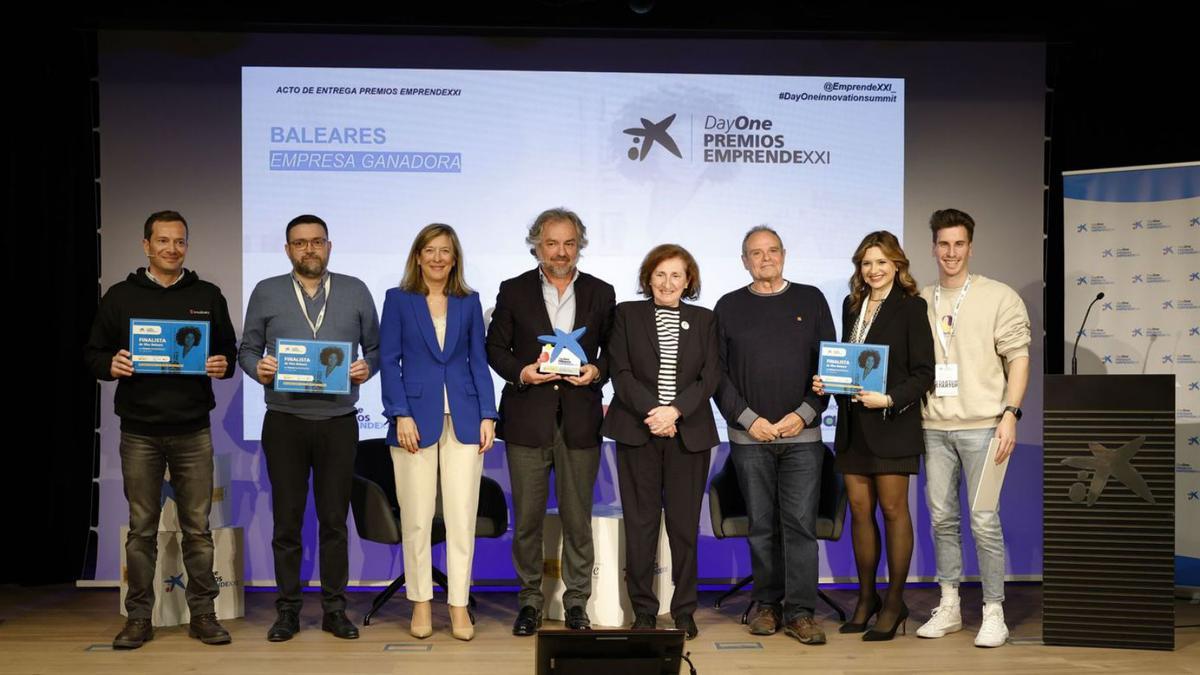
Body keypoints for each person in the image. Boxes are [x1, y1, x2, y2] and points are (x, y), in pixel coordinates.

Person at [85, 210, 236, 649]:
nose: (172, 248)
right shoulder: (119, 296)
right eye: (163, 241)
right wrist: (108, 365)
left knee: (198, 530)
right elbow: (92, 353)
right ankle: (138, 618)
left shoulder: (207, 295)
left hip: (193, 429)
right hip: (139, 432)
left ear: (187, 245)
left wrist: (223, 365)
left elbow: (226, 351)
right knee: (141, 531)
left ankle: (204, 615)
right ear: (146, 244)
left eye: (180, 241)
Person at [239, 214, 380, 642]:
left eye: (316, 242)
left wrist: (365, 368)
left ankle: (336, 611)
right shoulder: (266, 291)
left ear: (329, 246)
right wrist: (258, 368)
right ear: (288, 250)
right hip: (284, 420)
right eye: (300, 243)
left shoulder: (355, 289)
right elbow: (247, 349)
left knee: (335, 521)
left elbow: (375, 349)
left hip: (338, 422)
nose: (309, 250)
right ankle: (288, 612)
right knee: (288, 522)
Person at [485, 207, 615, 635]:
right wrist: (522, 372)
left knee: (579, 519)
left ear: (580, 245)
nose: (561, 252)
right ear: (536, 245)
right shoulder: (513, 290)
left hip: (579, 421)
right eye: (552, 243)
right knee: (527, 519)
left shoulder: (601, 292)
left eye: (569, 243)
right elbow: (495, 349)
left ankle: (577, 603)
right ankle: (529, 602)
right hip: (527, 420)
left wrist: (597, 371)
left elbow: (615, 352)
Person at [713, 225, 835, 646]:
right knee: (761, 526)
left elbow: (831, 368)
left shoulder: (812, 299)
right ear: (744, 260)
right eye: (755, 253)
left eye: (772, 251)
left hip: (802, 438)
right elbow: (718, 376)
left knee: (800, 526)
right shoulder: (727, 306)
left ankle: (801, 613)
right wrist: (748, 419)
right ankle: (766, 605)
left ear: (784, 255)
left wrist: (803, 415)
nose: (765, 258)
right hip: (751, 439)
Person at [915, 208, 1030, 648]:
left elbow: (1018, 357)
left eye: (959, 244)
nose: (951, 252)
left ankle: (994, 611)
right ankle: (948, 605)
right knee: (942, 519)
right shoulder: (920, 300)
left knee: (983, 520)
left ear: (970, 246)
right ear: (933, 247)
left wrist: (1010, 414)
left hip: (985, 427)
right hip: (933, 427)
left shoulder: (998, 297)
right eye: (943, 244)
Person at [812, 230, 934, 641]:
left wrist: (889, 399)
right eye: (867, 263)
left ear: (897, 265)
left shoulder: (912, 308)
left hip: (892, 425)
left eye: (882, 262)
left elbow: (923, 373)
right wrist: (826, 381)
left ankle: (895, 601)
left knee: (894, 511)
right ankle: (866, 599)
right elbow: (849, 367)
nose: (874, 270)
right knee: (860, 513)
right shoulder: (852, 307)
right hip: (852, 428)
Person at [380, 223, 497, 641]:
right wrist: (399, 413)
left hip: (465, 420)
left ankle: (459, 606)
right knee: (416, 518)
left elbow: (478, 362)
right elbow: (389, 361)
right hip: (413, 421)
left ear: (454, 258)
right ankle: (421, 604)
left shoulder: (469, 302)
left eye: (445, 251)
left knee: (462, 517)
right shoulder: (398, 300)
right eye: (429, 250)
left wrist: (488, 413)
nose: (437, 258)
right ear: (417, 256)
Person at [602, 244, 719, 640]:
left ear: (689, 281)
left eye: (676, 275)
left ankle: (684, 610)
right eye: (660, 275)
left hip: (689, 434)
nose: (668, 283)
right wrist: (655, 412)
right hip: (638, 431)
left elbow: (711, 375)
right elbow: (620, 371)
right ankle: (644, 611)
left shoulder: (705, 319)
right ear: (647, 278)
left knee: (685, 527)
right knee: (641, 524)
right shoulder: (626, 314)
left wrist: (675, 412)